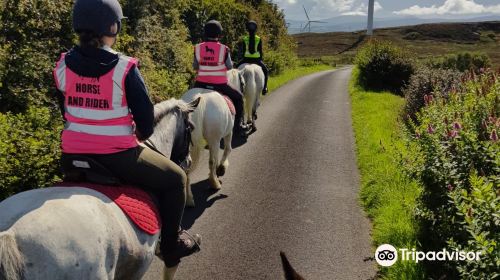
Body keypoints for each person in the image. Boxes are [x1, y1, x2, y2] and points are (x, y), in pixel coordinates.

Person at [52, 0, 200, 268]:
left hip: (71, 156)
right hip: (118, 156)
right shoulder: (124, 67)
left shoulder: (62, 63)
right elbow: (146, 123)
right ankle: (170, 244)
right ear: (112, 26)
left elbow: (65, 107)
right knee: (176, 179)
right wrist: (137, 132)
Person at [192, 20, 247, 135]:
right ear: (219, 34)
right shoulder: (224, 49)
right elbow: (229, 67)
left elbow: (195, 66)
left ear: (205, 33)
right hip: (220, 85)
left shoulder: (197, 48)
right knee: (239, 98)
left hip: (200, 83)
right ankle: (238, 126)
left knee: (185, 104)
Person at [237, 20, 269, 95]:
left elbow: (244, 51)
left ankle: (236, 86)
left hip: (246, 59)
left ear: (247, 29)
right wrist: (261, 59)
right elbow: (260, 51)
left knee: (235, 70)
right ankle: (265, 88)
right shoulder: (258, 38)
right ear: (256, 29)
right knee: (266, 71)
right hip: (257, 60)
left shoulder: (245, 39)